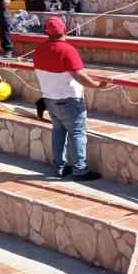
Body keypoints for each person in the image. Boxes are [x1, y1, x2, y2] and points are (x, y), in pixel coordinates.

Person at [32, 16, 109, 180]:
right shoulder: (67, 50)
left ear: (47, 32)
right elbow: (78, 75)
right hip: (69, 100)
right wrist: (96, 85)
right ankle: (80, 169)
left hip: (50, 100)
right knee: (77, 133)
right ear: (65, 31)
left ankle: (60, 167)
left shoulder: (39, 50)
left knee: (58, 132)